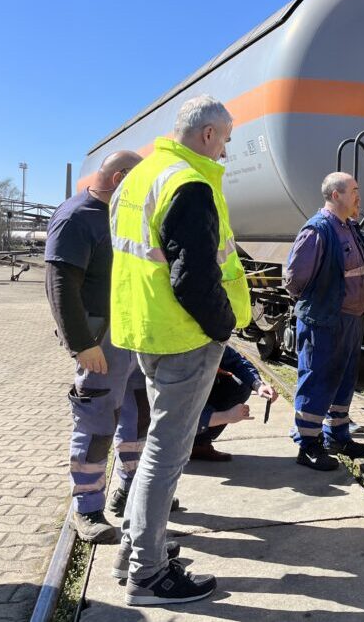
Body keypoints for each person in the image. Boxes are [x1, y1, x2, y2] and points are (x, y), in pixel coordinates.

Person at [109, 95, 251, 606]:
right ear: (208, 134)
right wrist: (223, 329)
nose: (226, 152)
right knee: (166, 456)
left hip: (146, 330)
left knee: (156, 448)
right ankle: (148, 576)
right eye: (226, 140)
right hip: (184, 337)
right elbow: (193, 278)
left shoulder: (139, 177)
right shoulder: (189, 184)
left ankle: (133, 552)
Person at [45, 150, 147, 544]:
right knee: (97, 423)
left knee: (137, 416)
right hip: (100, 342)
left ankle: (131, 489)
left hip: (133, 337)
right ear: (120, 178)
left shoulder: (121, 214)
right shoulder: (77, 217)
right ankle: (86, 509)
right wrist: (82, 344)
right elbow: (59, 285)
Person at [285, 172, 364, 471]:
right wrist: (319, 303)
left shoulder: (350, 228)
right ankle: (308, 445)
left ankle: (337, 436)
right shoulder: (318, 229)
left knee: (343, 380)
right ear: (336, 195)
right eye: (354, 190)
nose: (358, 196)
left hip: (350, 320)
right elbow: (295, 278)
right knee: (317, 380)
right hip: (325, 321)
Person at [189, 346, 279, 462]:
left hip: (188, 396)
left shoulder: (207, 339)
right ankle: (178, 447)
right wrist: (226, 416)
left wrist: (258, 385)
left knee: (242, 383)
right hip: (169, 429)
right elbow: (177, 413)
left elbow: (236, 360)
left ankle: (198, 444)